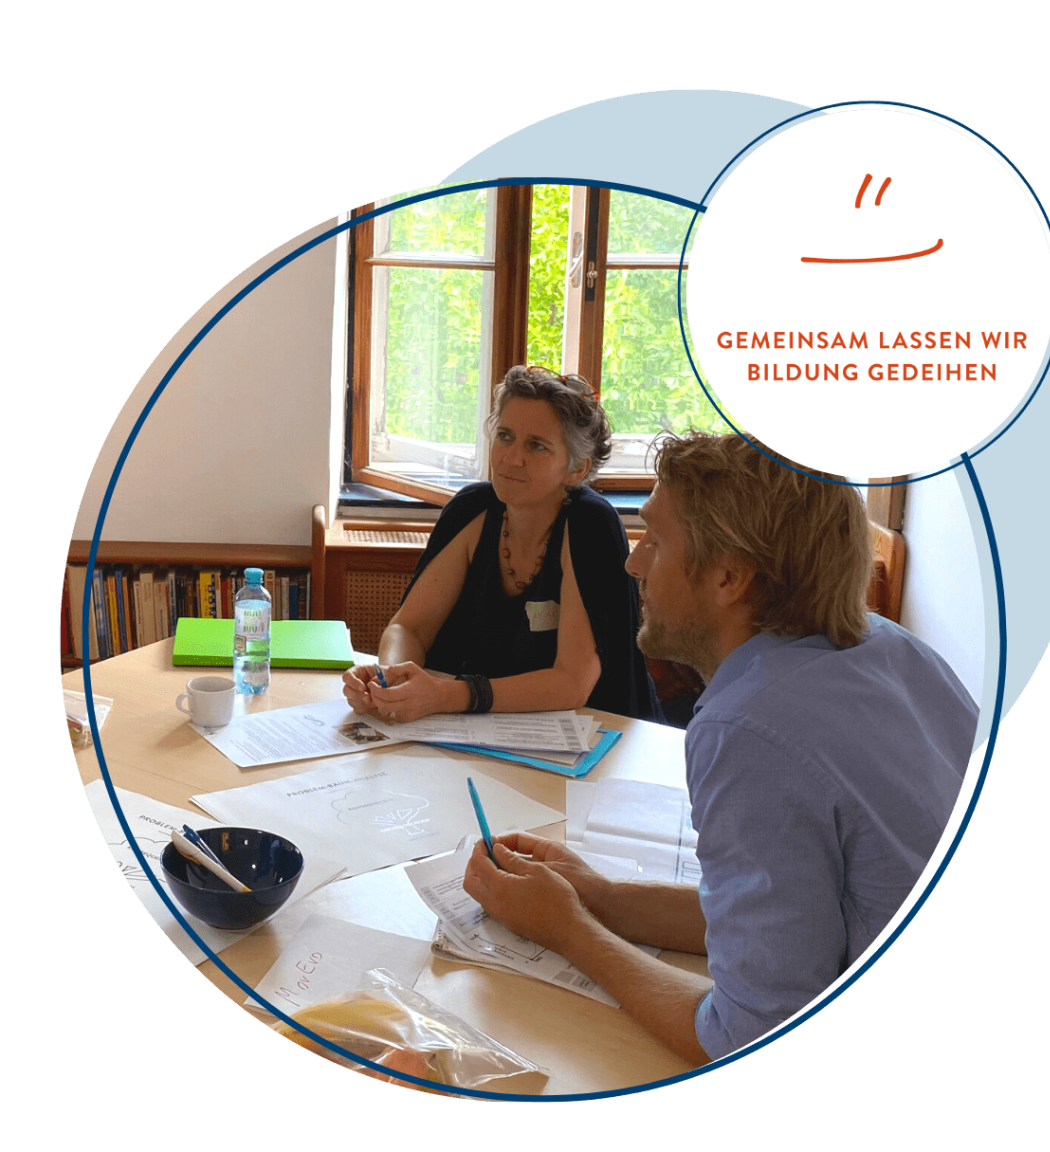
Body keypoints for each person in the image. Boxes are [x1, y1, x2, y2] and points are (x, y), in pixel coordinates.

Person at [463, 431, 979, 1065]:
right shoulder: (897, 650)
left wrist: (568, 930)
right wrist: (601, 897)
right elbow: (803, 917)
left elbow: (750, 1034)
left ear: (729, 576)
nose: (634, 564)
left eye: (655, 540)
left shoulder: (749, 728)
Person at [342, 366, 660, 724]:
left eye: (536, 446)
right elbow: (408, 629)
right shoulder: (471, 508)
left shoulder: (591, 524)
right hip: (479, 731)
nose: (511, 458)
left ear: (576, 469)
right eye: (505, 436)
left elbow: (572, 684)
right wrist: (392, 680)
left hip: (596, 743)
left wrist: (448, 695)